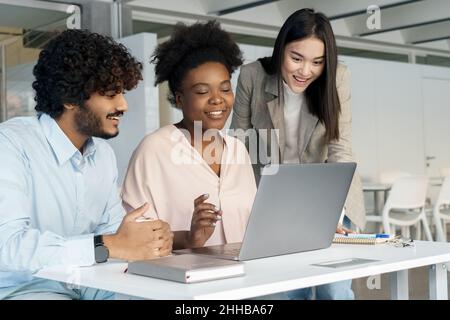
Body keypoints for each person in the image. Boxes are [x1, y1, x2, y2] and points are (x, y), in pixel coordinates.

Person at [0, 29, 173, 300]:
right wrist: (109, 245)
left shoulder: (102, 155)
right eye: (110, 93)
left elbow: (115, 235)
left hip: (89, 281)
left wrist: (146, 237)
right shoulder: (10, 144)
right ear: (69, 97)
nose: (123, 105)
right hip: (27, 287)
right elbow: (8, 247)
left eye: (122, 92)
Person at [230, 8, 365, 300]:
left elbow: (340, 146)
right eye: (296, 58)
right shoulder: (253, 75)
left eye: (317, 62)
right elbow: (238, 146)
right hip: (274, 200)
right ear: (281, 50)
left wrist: (332, 213)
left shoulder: (338, 76)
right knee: (285, 289)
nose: (306, 71)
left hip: (328, 198)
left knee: (334, 290)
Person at [121, 20, 256, 251]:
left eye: (225, 89)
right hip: (181, 280)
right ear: (180, 99)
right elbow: (133, 237)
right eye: (203, 91)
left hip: (242, 280)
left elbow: (254, 224)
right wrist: (190, 238)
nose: (217, 99)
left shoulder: (237, 150)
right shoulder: (154, 150)